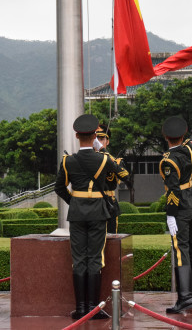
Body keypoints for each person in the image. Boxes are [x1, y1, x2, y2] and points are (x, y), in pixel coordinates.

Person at [55, 114, 130, 320]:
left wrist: (75, 202)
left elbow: (59, 188)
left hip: (77, 213)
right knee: (95, 259)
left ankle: (80, 308)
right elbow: (125, 175)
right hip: (98, 213)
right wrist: (104, 150)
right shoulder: (104, 158)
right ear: (95, 136)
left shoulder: (68, 160)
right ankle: (93, 308)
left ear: (77, 135)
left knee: (79, 260)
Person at [159, 100, 192, 314]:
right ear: (182, 136)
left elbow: (172, 191)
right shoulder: (189, 148)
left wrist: (170, 215)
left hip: (180, 209)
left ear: (166, 137)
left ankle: (185, 298)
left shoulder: (168, 160)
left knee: (181, 252)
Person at [94, 124, 132, 234]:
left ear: (107, 141)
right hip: (92, 202)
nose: (98, 142)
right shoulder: (87, 161)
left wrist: (104, 152)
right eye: (95, 139)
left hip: (109, 202)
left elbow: (125, 176)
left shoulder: (116, 161)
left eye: (101, 139)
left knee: (111, 239)